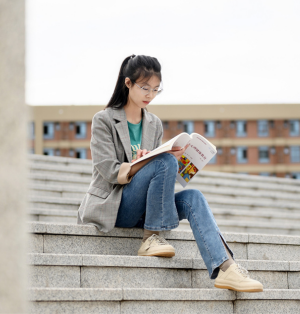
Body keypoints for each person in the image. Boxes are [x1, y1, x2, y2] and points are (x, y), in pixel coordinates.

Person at [77, 54, 263, 292]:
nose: (150, 95)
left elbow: (159, 178)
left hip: (147, 207)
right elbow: (108, 170)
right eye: (145, 88)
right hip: (116, 204)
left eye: (156, 90)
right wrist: (142, 162)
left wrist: (180, 162)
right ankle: (151, 238)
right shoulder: (103, 120)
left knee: (193, 197)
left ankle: (226, 268)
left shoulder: (154, 123)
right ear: (128, 83)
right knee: (162, 161)